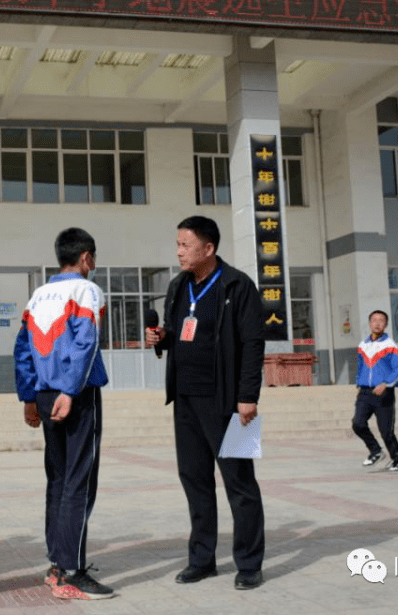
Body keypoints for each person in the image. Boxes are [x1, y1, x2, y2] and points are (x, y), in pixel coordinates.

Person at [144, 215, 266, 591]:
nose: (179, 251)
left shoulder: (238, 285)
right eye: (178, 244)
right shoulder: (180, 285)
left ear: (208, 248)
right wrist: (161, 337)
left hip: (230, 402)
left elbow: (253, 345)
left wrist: (248, 397)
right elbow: (180, 330)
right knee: (195, 480)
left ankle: (248, 564)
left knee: (240, 482)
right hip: (185, 400)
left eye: (185, 244)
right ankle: (202, 559)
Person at [14, 227, 115, 600]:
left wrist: (28, 397)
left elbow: (22, 349)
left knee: (57, 479)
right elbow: (87, 343)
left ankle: (57, 563)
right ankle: (72, 571)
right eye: (94, 259)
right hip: (76, 394)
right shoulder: (87, 290)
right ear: (86, 257)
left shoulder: (38, 295)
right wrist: (71, 391)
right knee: (78, 481)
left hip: (43, 394)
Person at [353, 309, 398, 473]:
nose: (377, 323)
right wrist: (358, 381)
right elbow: (361, 366)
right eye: (374, 320)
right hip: (365, 392)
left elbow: (397, 369)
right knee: (357, 424)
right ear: (369, 323)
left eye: (381, 320)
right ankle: (375, 451)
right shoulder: (363, 345)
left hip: (384, 393)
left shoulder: (390, 346)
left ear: (386, 324)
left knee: (386, 431)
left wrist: (386, 384)